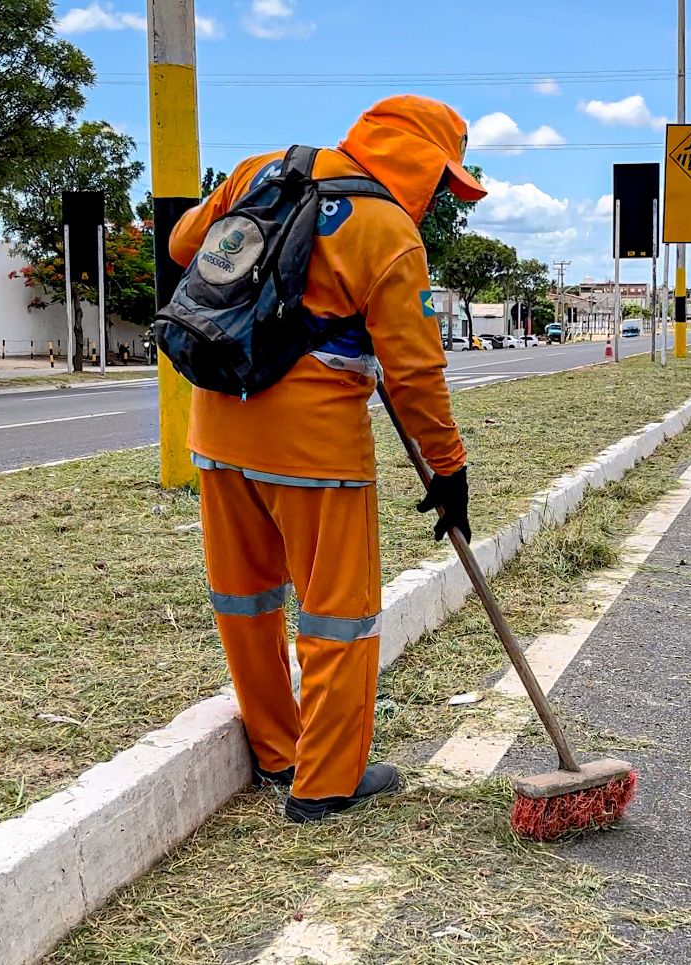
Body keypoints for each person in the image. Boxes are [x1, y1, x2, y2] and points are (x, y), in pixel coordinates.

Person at [168, 95, 485, 823]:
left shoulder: (262, 171)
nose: (439, 197)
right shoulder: (389, 231)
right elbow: (414, 375)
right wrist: (449, 471)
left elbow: (187, 243)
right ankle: (325, 782)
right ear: (419, 161)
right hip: (314, 448)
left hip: (216, 427)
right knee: (337, 613)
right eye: (442, 180)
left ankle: (278, 751)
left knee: (245, 601)